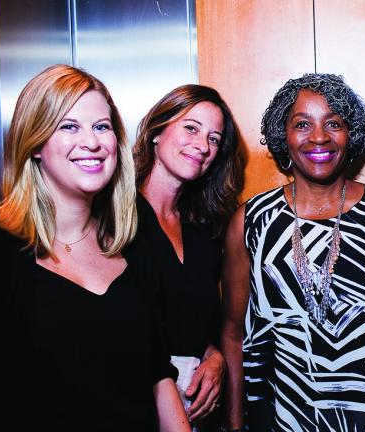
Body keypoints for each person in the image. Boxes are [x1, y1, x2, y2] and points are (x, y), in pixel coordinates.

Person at [0, 64, 190, 431]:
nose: (91, 142)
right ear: (36, 142)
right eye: (69, 126)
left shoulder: (133, 239)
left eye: (101, 127)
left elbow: (158, 376)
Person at [221, 73, 365, 431]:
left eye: (334, 123)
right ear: (282, 135)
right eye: (302, 124)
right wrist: (236, 425)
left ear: (351, 135)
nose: (319, 137)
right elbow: (233, 333)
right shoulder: (252, 221)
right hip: (276, 418)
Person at [131, 84, 241, 430]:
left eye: (213, 138)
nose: (202, 145)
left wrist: (215, 357)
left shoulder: (205, 230)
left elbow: (194, 322)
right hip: (134, 403)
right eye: (191, 128)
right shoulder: (115, 219)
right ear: (157, 131)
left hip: (195, 411)